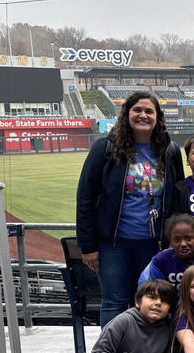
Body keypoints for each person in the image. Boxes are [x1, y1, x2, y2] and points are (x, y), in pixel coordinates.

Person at [76, 91, 185, 326]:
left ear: (158, 117)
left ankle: (144, 347)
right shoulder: (106, 148)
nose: (143, 115)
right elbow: (86, 196)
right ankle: (113, 348)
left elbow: (177, 198)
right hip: (113, 243)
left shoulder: (170, 151)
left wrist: (174, 239)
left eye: (149, 111)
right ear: (126, 114)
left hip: (153, 243)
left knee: (150, 300)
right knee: (114, 301)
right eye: (137, 110)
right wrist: (88, 245)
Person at [138, 213, 194, 297]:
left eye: (188, 238)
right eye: (177, 240)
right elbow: (147, 292)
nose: (183, 244)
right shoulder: (160, 261)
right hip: (170, 306)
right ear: (170, 241)